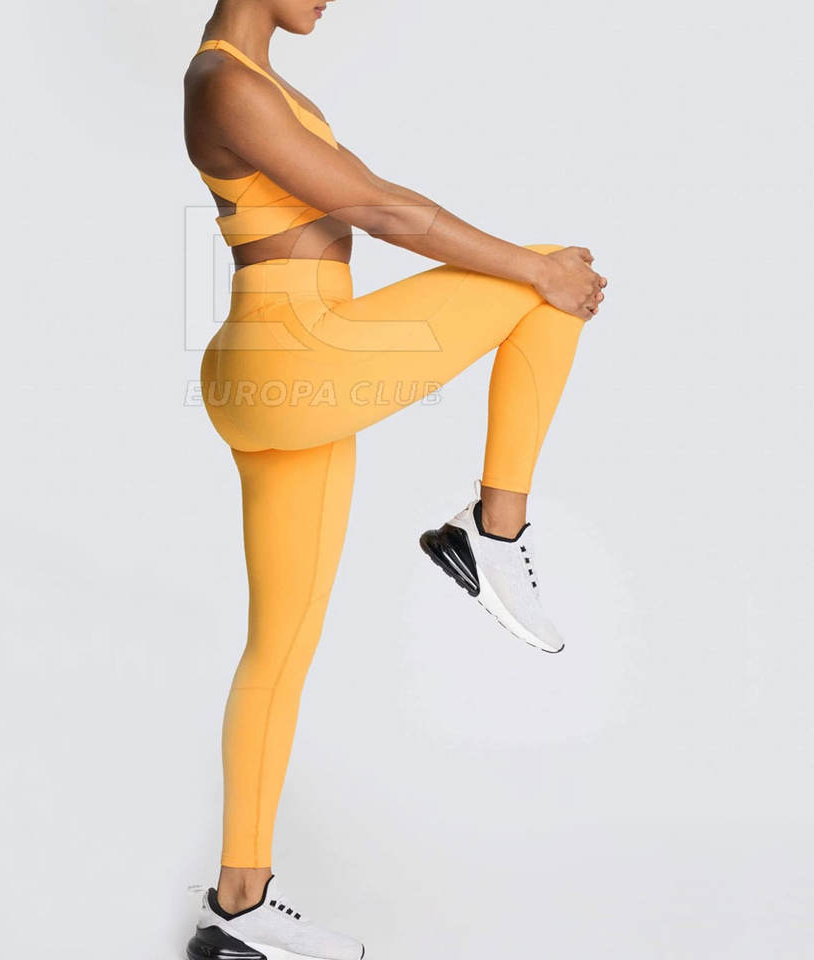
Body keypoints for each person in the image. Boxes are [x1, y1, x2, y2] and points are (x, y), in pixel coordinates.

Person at [183, 1, 606, 956]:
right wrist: (534, 270)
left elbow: (363, 199)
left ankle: (237, 908)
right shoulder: (225, 81)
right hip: (294, 355)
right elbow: (379, 211)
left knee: (278, 649)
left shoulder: (260, 83)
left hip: (283, 367)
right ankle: (493, 532)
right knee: (546, 277)